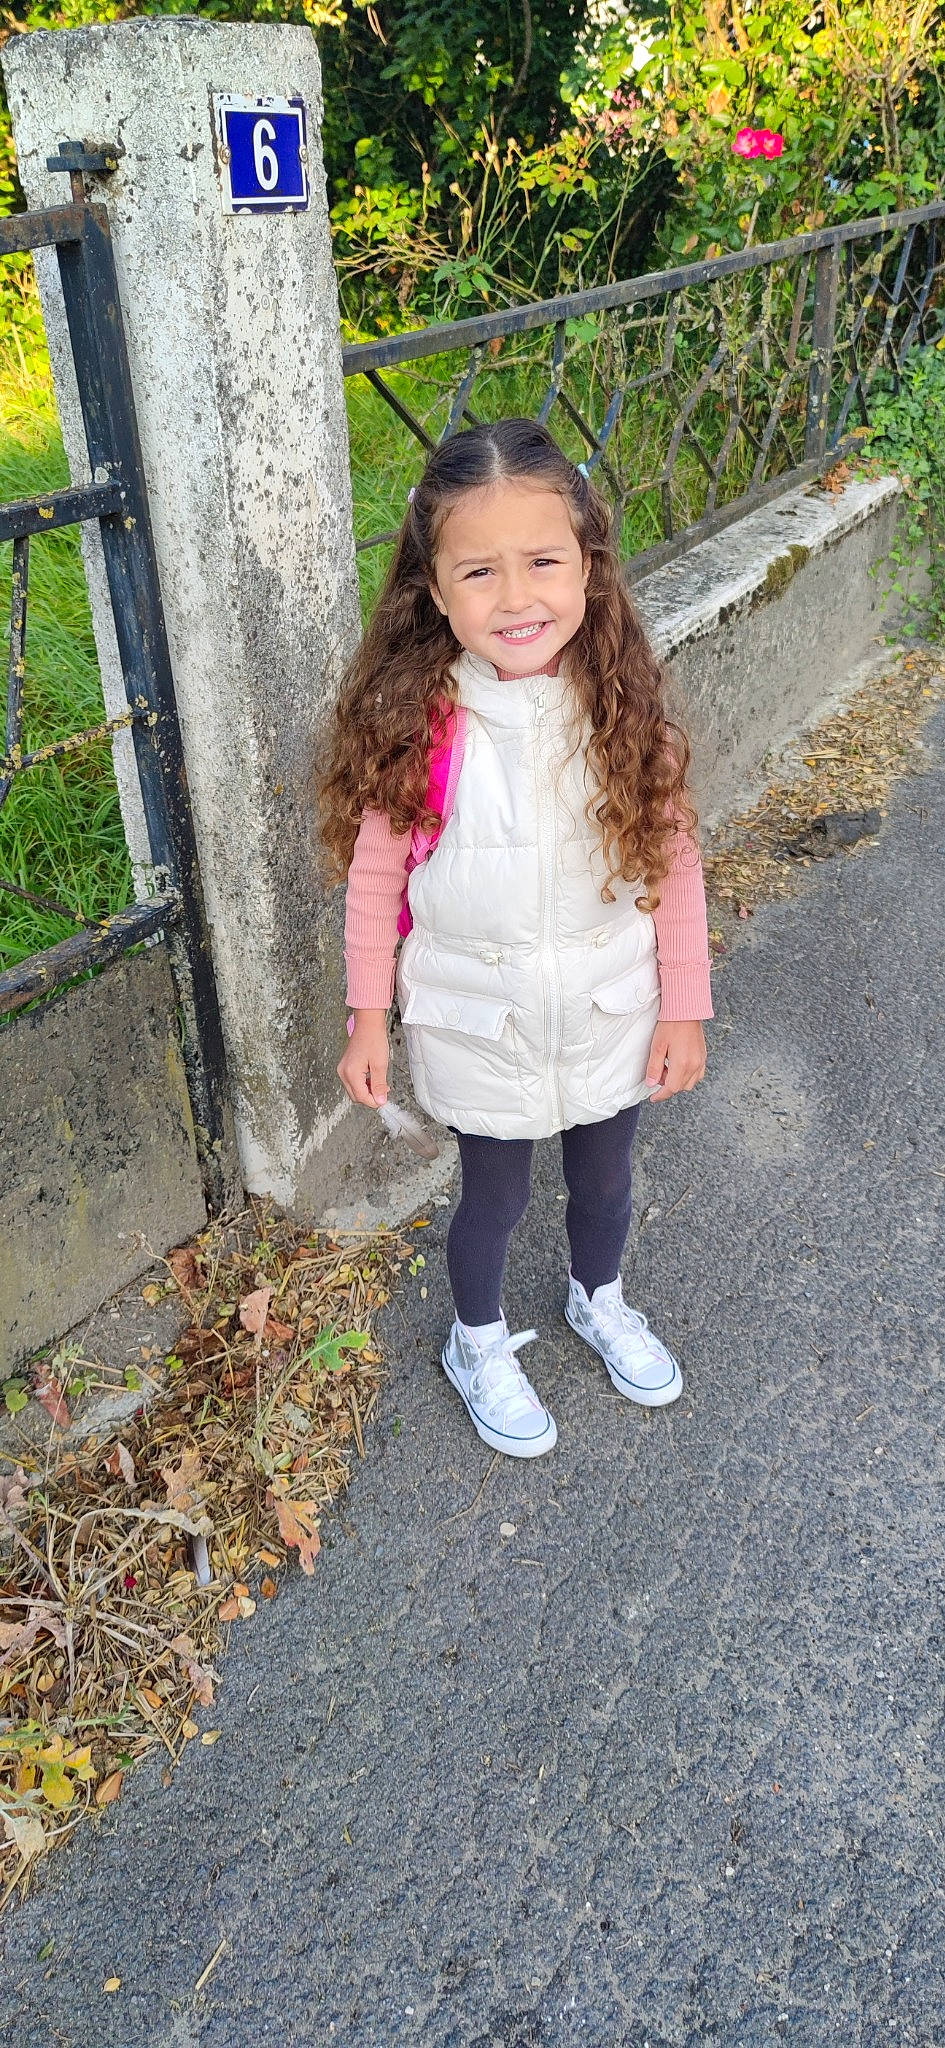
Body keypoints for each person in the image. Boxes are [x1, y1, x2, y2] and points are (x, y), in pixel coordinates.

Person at [320, 417, 712, 1460]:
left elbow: (673, 867)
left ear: (588, 564)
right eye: (478, 571)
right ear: (434, 591)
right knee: (492, 1197)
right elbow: (375, 885)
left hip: (607, 1006)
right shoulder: (420, 726)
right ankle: (477, 1340)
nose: (515, 597)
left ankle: (597, 1297)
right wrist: (367, 1019)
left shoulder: (623, 712)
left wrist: (683, 1006)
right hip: (480, 1020)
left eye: (542, 561)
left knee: (607, 1180)